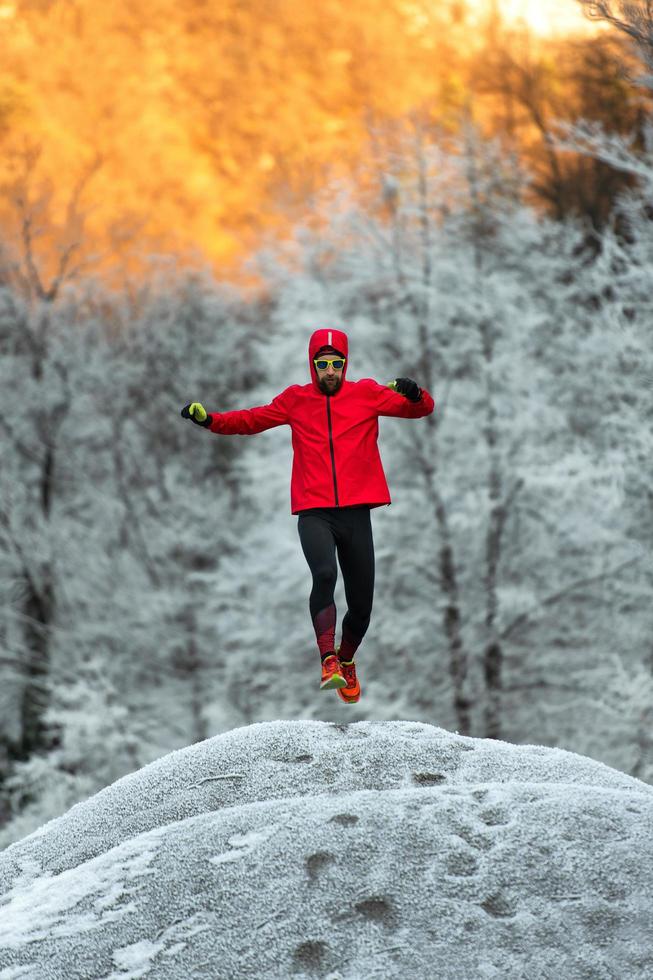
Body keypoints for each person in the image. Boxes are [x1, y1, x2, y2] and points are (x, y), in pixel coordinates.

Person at [181, 328, 434, 703]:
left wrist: (415, 393)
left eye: (336, 364)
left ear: (345, 365)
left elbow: (422, 410)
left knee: (362, 605)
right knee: (324, 574)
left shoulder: (366, 394)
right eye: (322, 364)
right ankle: (327, 660)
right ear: (312, 365)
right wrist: (210, 420)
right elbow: (251, 420)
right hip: (315, 511)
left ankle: (346, 662)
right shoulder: (295, 400)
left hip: (356, 513)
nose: (329, 370)